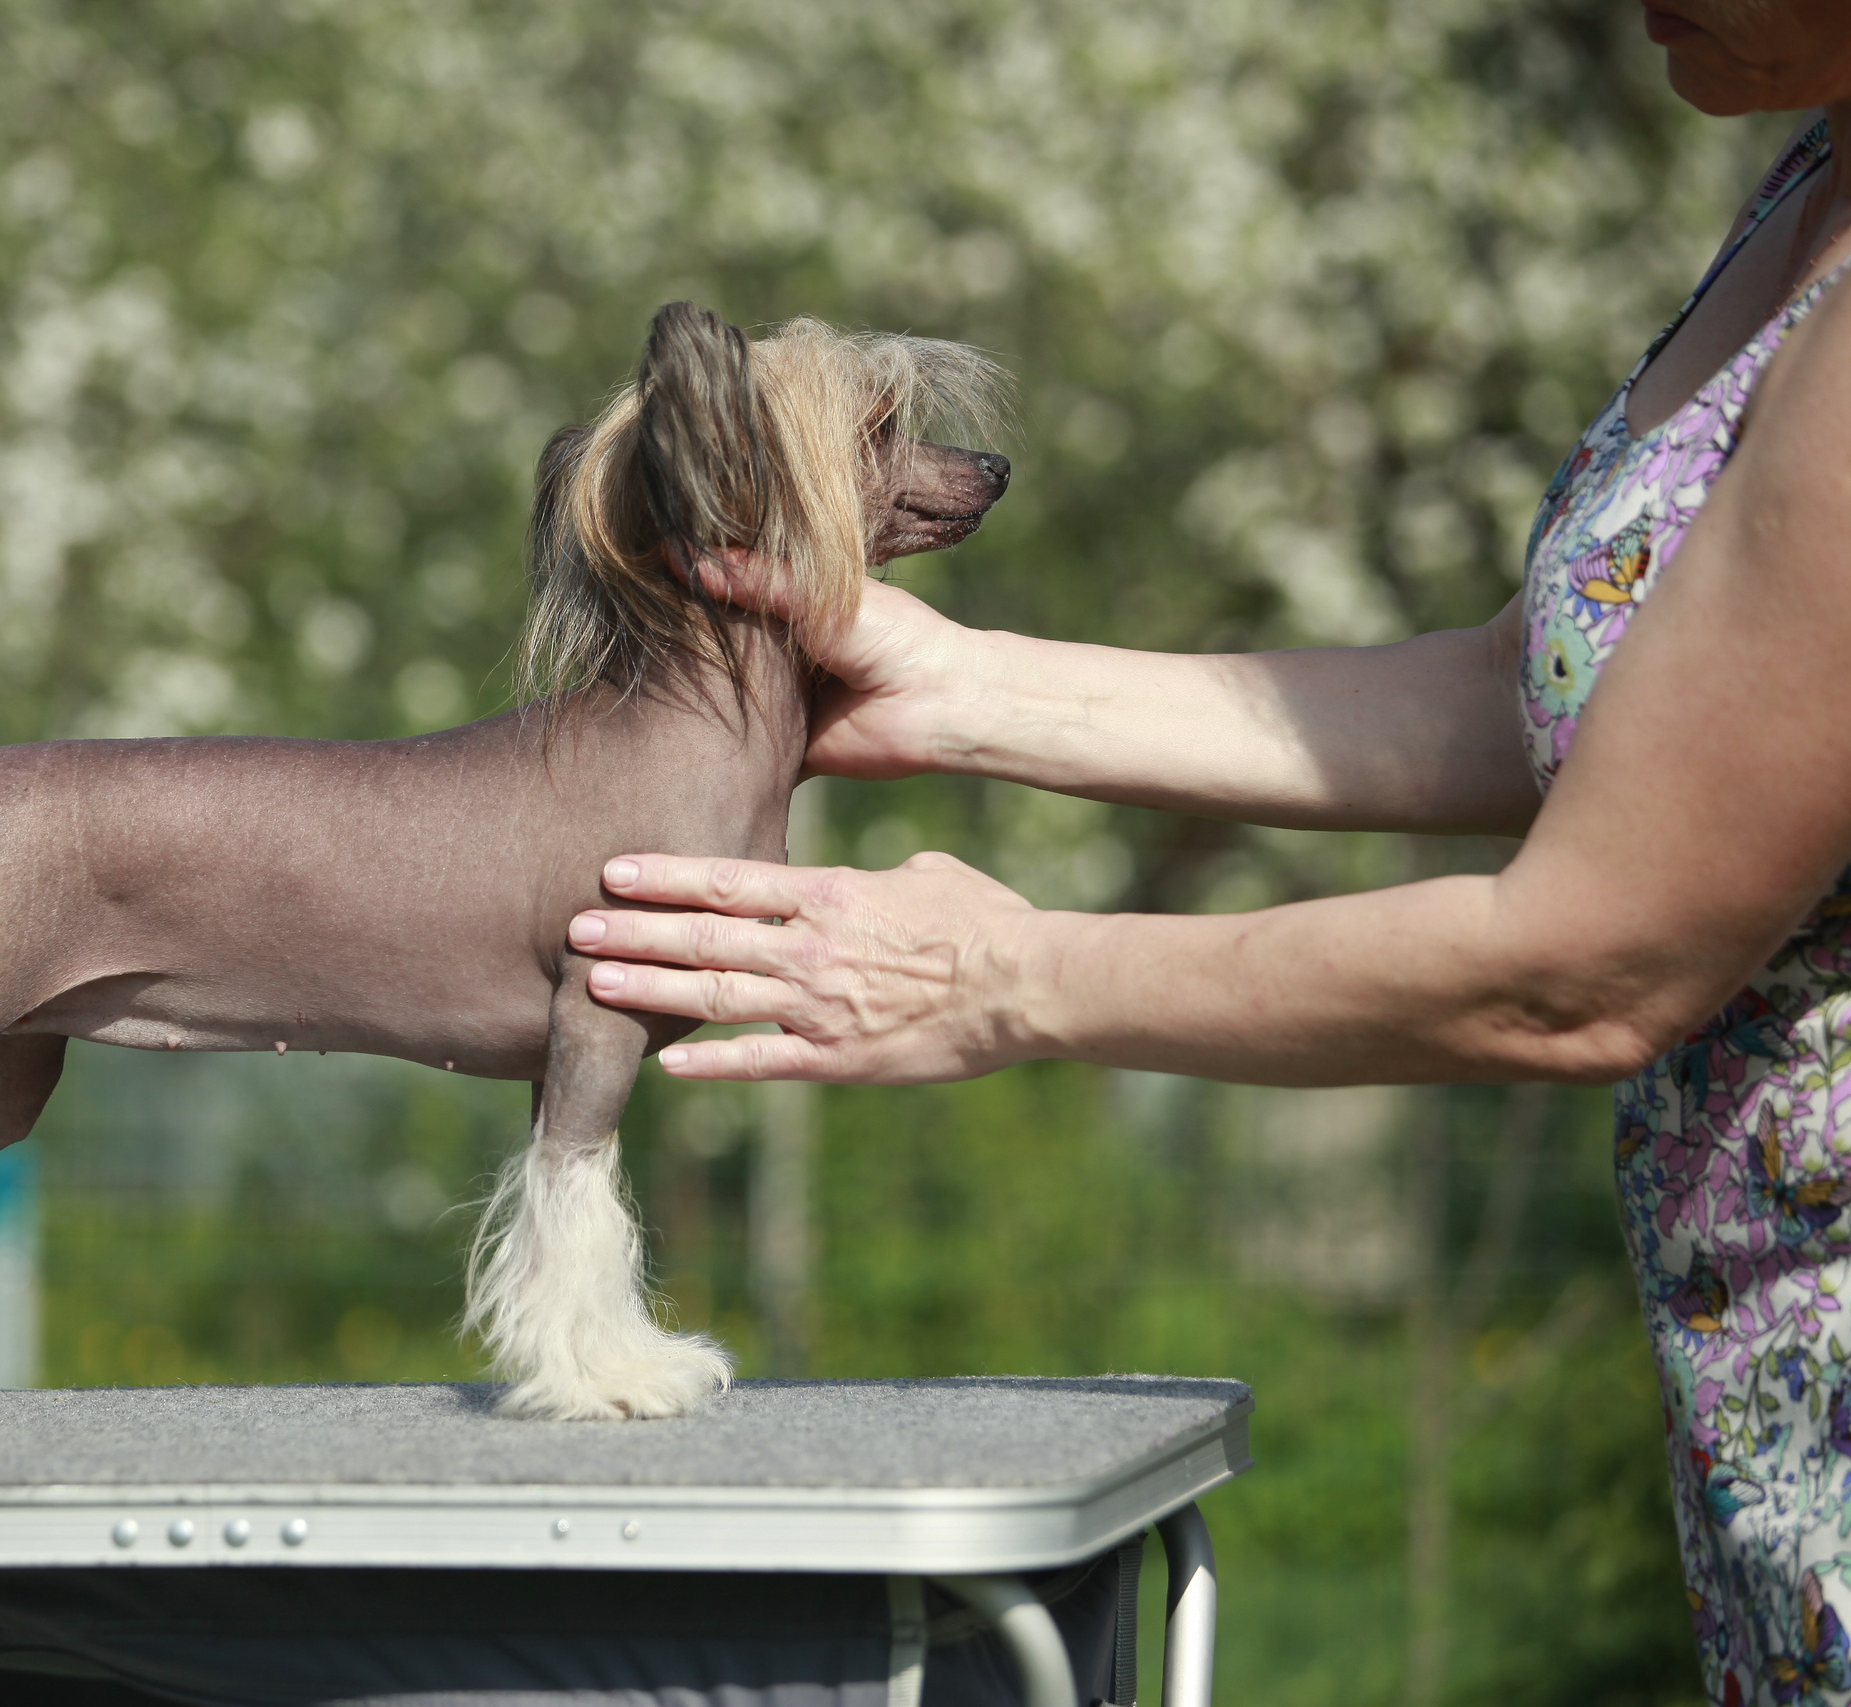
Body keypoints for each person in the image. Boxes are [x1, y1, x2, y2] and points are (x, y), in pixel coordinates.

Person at [563, 4, 1851, 1698]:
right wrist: (972, 686)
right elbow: (1565, 702)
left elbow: (1597, 953)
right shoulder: (1813, 173)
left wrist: (1011, 977)